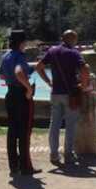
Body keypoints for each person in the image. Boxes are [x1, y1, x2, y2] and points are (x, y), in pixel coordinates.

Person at [35, 30, 90, 166]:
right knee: (70, 126)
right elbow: (85, 69)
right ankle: (68, 155)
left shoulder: (52, 51)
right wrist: (84, 86)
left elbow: (39, 67)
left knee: (54, 125)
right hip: (71, 94)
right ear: (73, 39)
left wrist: (48, 81)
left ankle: (54, 154)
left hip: (55, 93)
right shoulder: (74, 53)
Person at [0, 30, 40, 177]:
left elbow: (1, 75)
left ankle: (14, 166)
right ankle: (26, 167)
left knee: (12, 131)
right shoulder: (19, 56)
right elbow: (18, 72)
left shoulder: (6, 56)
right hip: (21, 96)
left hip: (10, 94)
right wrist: (28, 89)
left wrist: (30, 68)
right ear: (22, 42)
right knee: (24, 132)